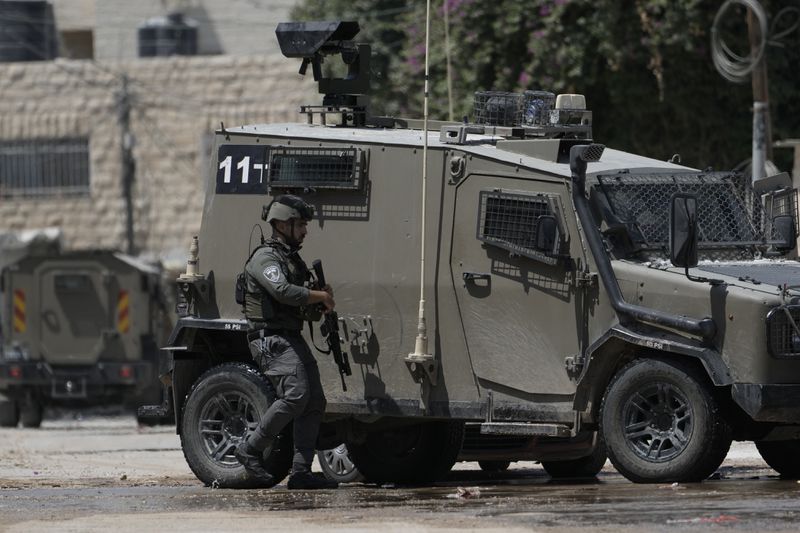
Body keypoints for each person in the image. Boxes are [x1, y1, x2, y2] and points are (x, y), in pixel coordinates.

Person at [234, 194, 338, 490]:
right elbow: (281, 291)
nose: (305, 230)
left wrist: (319, 303)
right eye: (300, 224)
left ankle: (301, 471)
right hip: (270, 339)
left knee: (314, 401)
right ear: (282, 224)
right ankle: (250, 449)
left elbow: (303, 309)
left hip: (288, 337)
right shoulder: (265, 258)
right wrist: (320, 296)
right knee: (296, 396)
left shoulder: (292, 260)